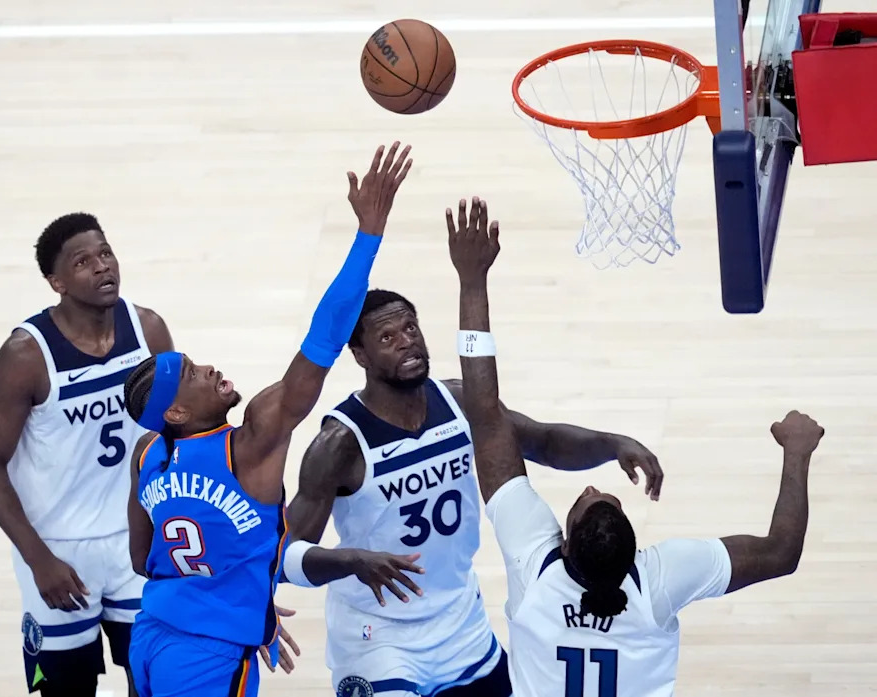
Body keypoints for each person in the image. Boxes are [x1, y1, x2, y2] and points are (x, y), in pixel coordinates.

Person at [446, 196, 825, 697]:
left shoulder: (536, 569)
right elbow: (780, 552)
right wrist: (797, 454)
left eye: (585, 497)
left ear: (564, 544)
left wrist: (472, 282)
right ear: (637, 557)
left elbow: (486, 417)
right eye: (603, 497)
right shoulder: (656, 582)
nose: (589, 487)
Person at [282, 238, 664, 696]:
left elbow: (541, 440)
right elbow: (282, 554)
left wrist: (612, 444)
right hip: (376, 638)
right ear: (360, 356)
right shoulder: (341, 443)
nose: (407, 342)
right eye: (387, 338)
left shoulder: (457, 402)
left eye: (411, 328)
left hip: (461, 628)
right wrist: (351, 560)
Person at [123, 142, 417, 697]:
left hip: (151, 639)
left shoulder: (148, 454)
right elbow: (324, 340)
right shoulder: (252, 441)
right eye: (192, 374)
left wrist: (240, 597)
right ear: (177, 411)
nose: (209, 368)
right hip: (210, 657)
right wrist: (368, 235)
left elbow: (144, 559)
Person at [0, 212, 175, 697]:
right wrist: (38, 558)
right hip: (58, 547)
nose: (103, 267)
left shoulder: (148, 330)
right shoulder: (26, 355)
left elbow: (176, 429)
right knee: (67, 689)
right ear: (56, 282)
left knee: (154, 681)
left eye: (106, 253)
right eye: (83, 262)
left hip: (135, 539)